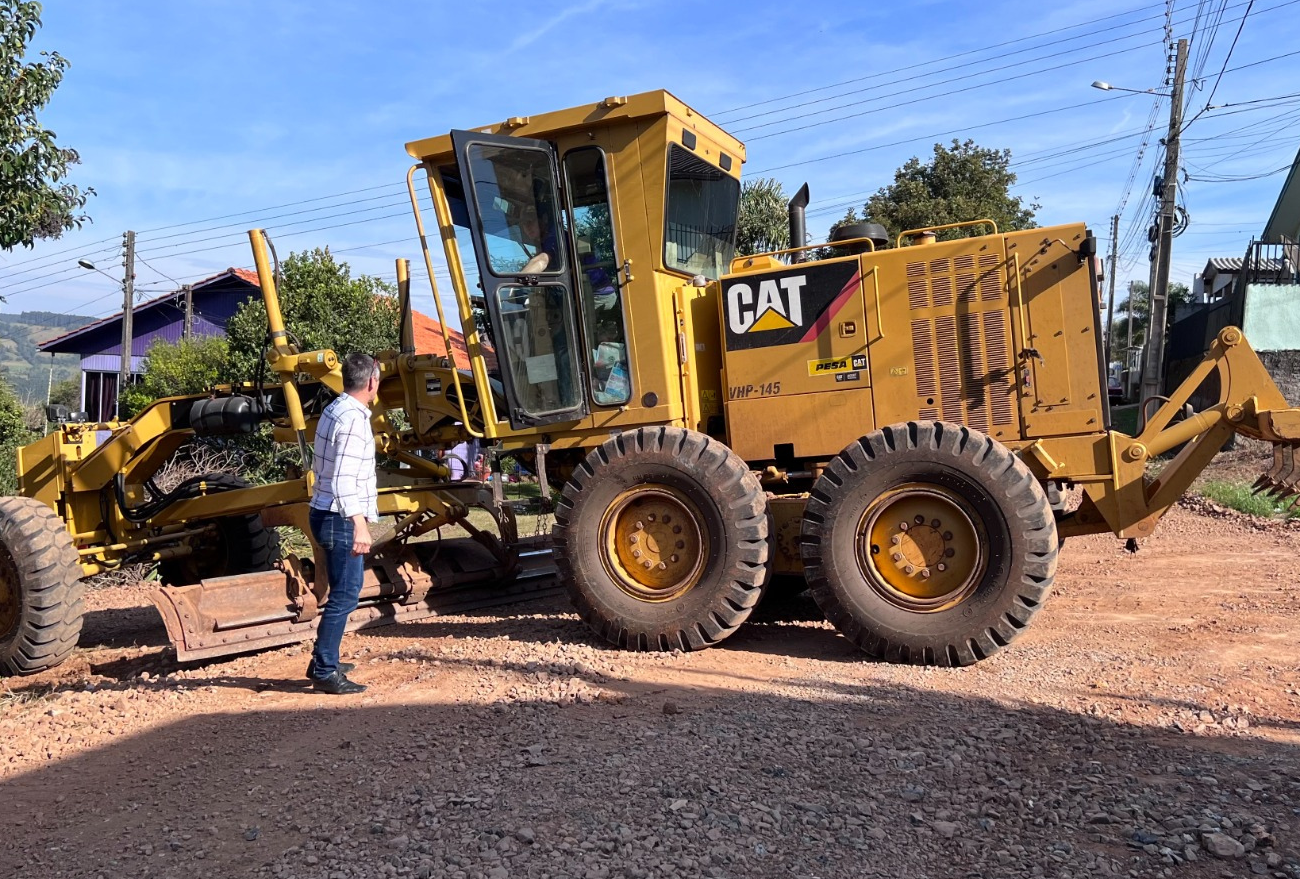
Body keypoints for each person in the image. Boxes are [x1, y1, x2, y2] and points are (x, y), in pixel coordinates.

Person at [305, 352, 380, 695]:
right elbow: (344, 481)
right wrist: (360, 525)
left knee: (341, 594)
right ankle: (324, 669)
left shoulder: (334, 410)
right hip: (339, 517)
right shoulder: (354, 420)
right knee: (346, 596)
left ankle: (323, 658)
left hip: (324, 511)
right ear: (371, 382)